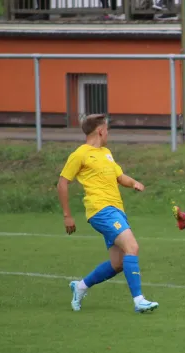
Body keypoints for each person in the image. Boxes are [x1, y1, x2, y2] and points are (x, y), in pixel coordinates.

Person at [57, 114, 158, 313]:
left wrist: (134, 183)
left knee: (118, 263)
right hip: (101, 210)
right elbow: (62, 183)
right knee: (132, 247)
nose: (108, 133)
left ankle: (80, 287)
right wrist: (67, 215)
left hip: (116, 210)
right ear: (100, 130)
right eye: (107, 129)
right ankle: (139, 301)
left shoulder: (106, 153)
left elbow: (120, 176)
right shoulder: (80, 154)